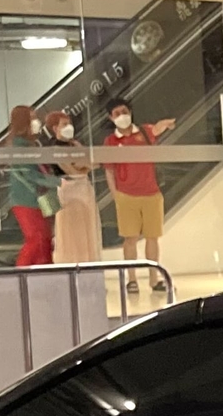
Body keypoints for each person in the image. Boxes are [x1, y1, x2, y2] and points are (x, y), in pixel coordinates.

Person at [102, 99, 174, 292]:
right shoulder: (110, 142)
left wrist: (166, 123)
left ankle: (154, 279)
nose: (121, 116)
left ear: (131, 111)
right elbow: (109, 170)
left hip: (151, 193)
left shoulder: (144, 131)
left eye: (124, 111)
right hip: (126, 195)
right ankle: (132, 279)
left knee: (152, 238)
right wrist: (115, 194)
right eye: (116, 113)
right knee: (130, 239)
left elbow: (157, 128)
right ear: (111, 118)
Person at [1, 104, 54, 267]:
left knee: (45, 238)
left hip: (39, 198)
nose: (36, 122)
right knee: (36, 238)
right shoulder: (19, 147)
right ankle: (21, 274)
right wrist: (56, 181)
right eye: (32, 118)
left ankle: (44, 271)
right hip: (27, 199)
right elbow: (30, 174)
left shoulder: (29, 144)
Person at [45, 109, 100, 264]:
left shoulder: (75, 144)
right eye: (65, 124)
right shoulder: (55, 149)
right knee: (72, 232)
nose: (69, 127)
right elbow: (71, 170)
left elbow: (93, 163)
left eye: (69, 123)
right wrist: (82, 166)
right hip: (68, 189)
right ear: (55, 128)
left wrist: (82, 166)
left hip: (84, 187)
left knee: (88, 229)